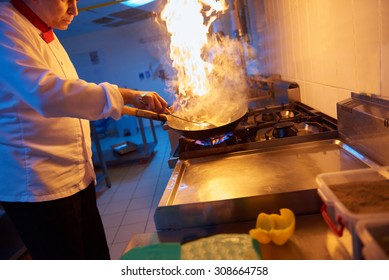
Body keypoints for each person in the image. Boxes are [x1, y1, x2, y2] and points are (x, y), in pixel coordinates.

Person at [0, 0, 168, 260]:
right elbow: (47, 94)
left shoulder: (46, 33)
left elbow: (72, 87)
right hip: (39, 186)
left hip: (76, 175)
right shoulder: (4, 26)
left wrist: (125, 98)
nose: (74, 9)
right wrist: (127, 96)